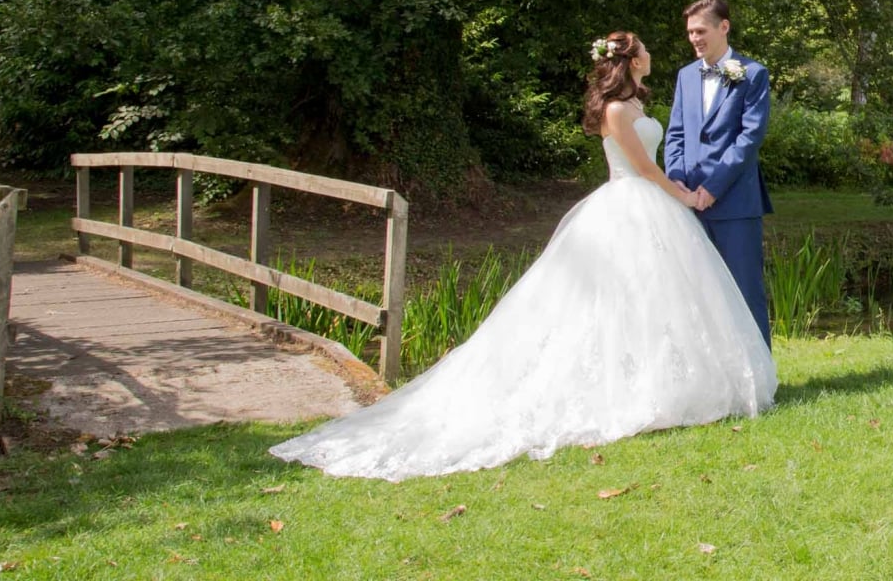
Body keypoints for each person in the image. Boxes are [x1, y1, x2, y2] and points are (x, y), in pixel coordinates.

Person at [268, 31, 775, 481]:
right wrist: (682, 195)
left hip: (649, 208)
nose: (651, 53)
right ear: (631, 60)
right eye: (643, 49)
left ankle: (663, 384)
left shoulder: (634, 104)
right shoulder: (617, 112)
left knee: (653, 301)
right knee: (614, 300)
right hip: (631, 202)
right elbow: (643, 168)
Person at [664, 0, 774, 346]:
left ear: (724, 27)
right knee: (696, 295)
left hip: (735, 203)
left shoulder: (753, 74)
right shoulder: (685, 76)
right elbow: (676, 134)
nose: (694, 38)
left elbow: (749, 139)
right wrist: (677, 182)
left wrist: (713, 187)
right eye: (690, 32)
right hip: (688, 203)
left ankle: (760, 371)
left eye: (701, 31)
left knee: (745, 291)